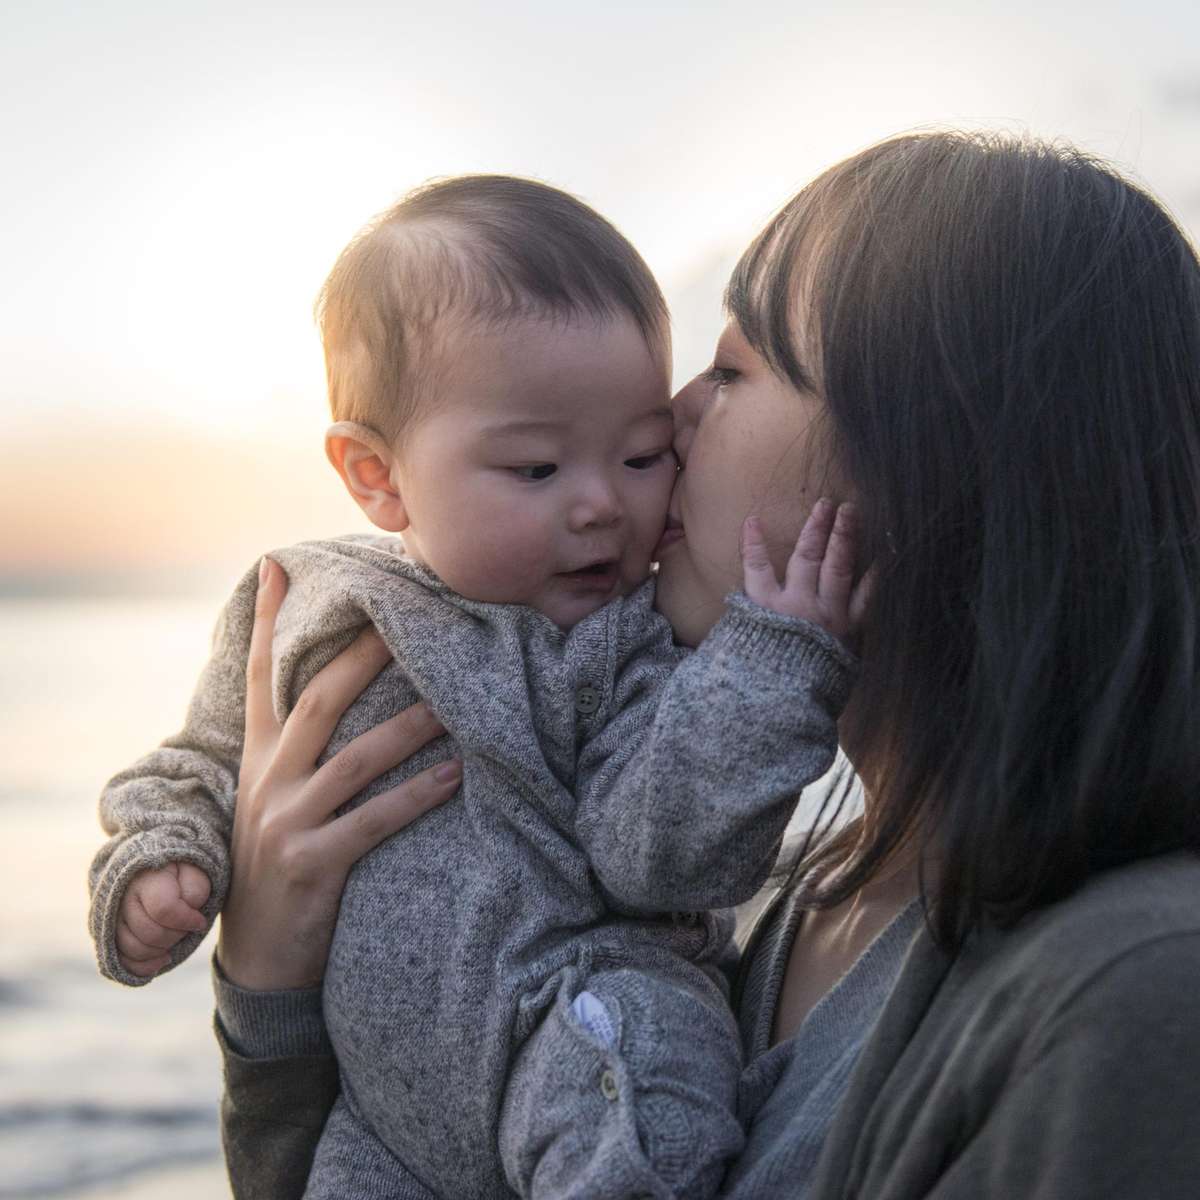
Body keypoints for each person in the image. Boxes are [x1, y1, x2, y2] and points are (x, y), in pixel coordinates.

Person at [212, 129, 1200, 1199]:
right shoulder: (812, 900)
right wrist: (274, 979)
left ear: (927, 454)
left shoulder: (1138, 994)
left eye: (734, 369)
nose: (672, 415)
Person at [87, 176, 871, 1198]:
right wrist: (158, 864)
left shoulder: (636, 647)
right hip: (380, 1112)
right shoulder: (309, 606)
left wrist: (767, 670)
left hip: (581, 1018)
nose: (602, 505)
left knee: (642, 1094)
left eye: (640, 455)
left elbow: (662, 854)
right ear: (378, 477)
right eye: (538, 471)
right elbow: (199, 765)